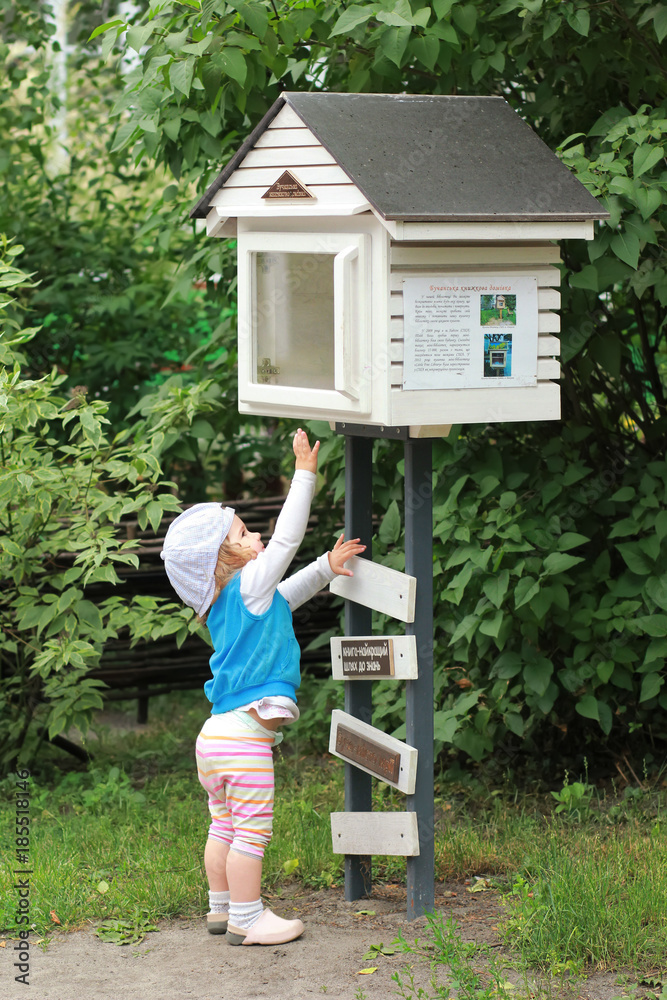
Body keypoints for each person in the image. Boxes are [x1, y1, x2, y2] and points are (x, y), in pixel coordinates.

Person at [161, 428, 365, 946]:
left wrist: (325, 568)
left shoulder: (238, 603)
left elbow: (287, 595)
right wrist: (304, 474)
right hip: (244, 739)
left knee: (223, 827)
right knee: (251, 831)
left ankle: (221, 907)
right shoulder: (249, 585)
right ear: (225, 560)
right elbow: (287, 542)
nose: (256, 539)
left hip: (216, 736)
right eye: (245, 534)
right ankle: (248, 918)